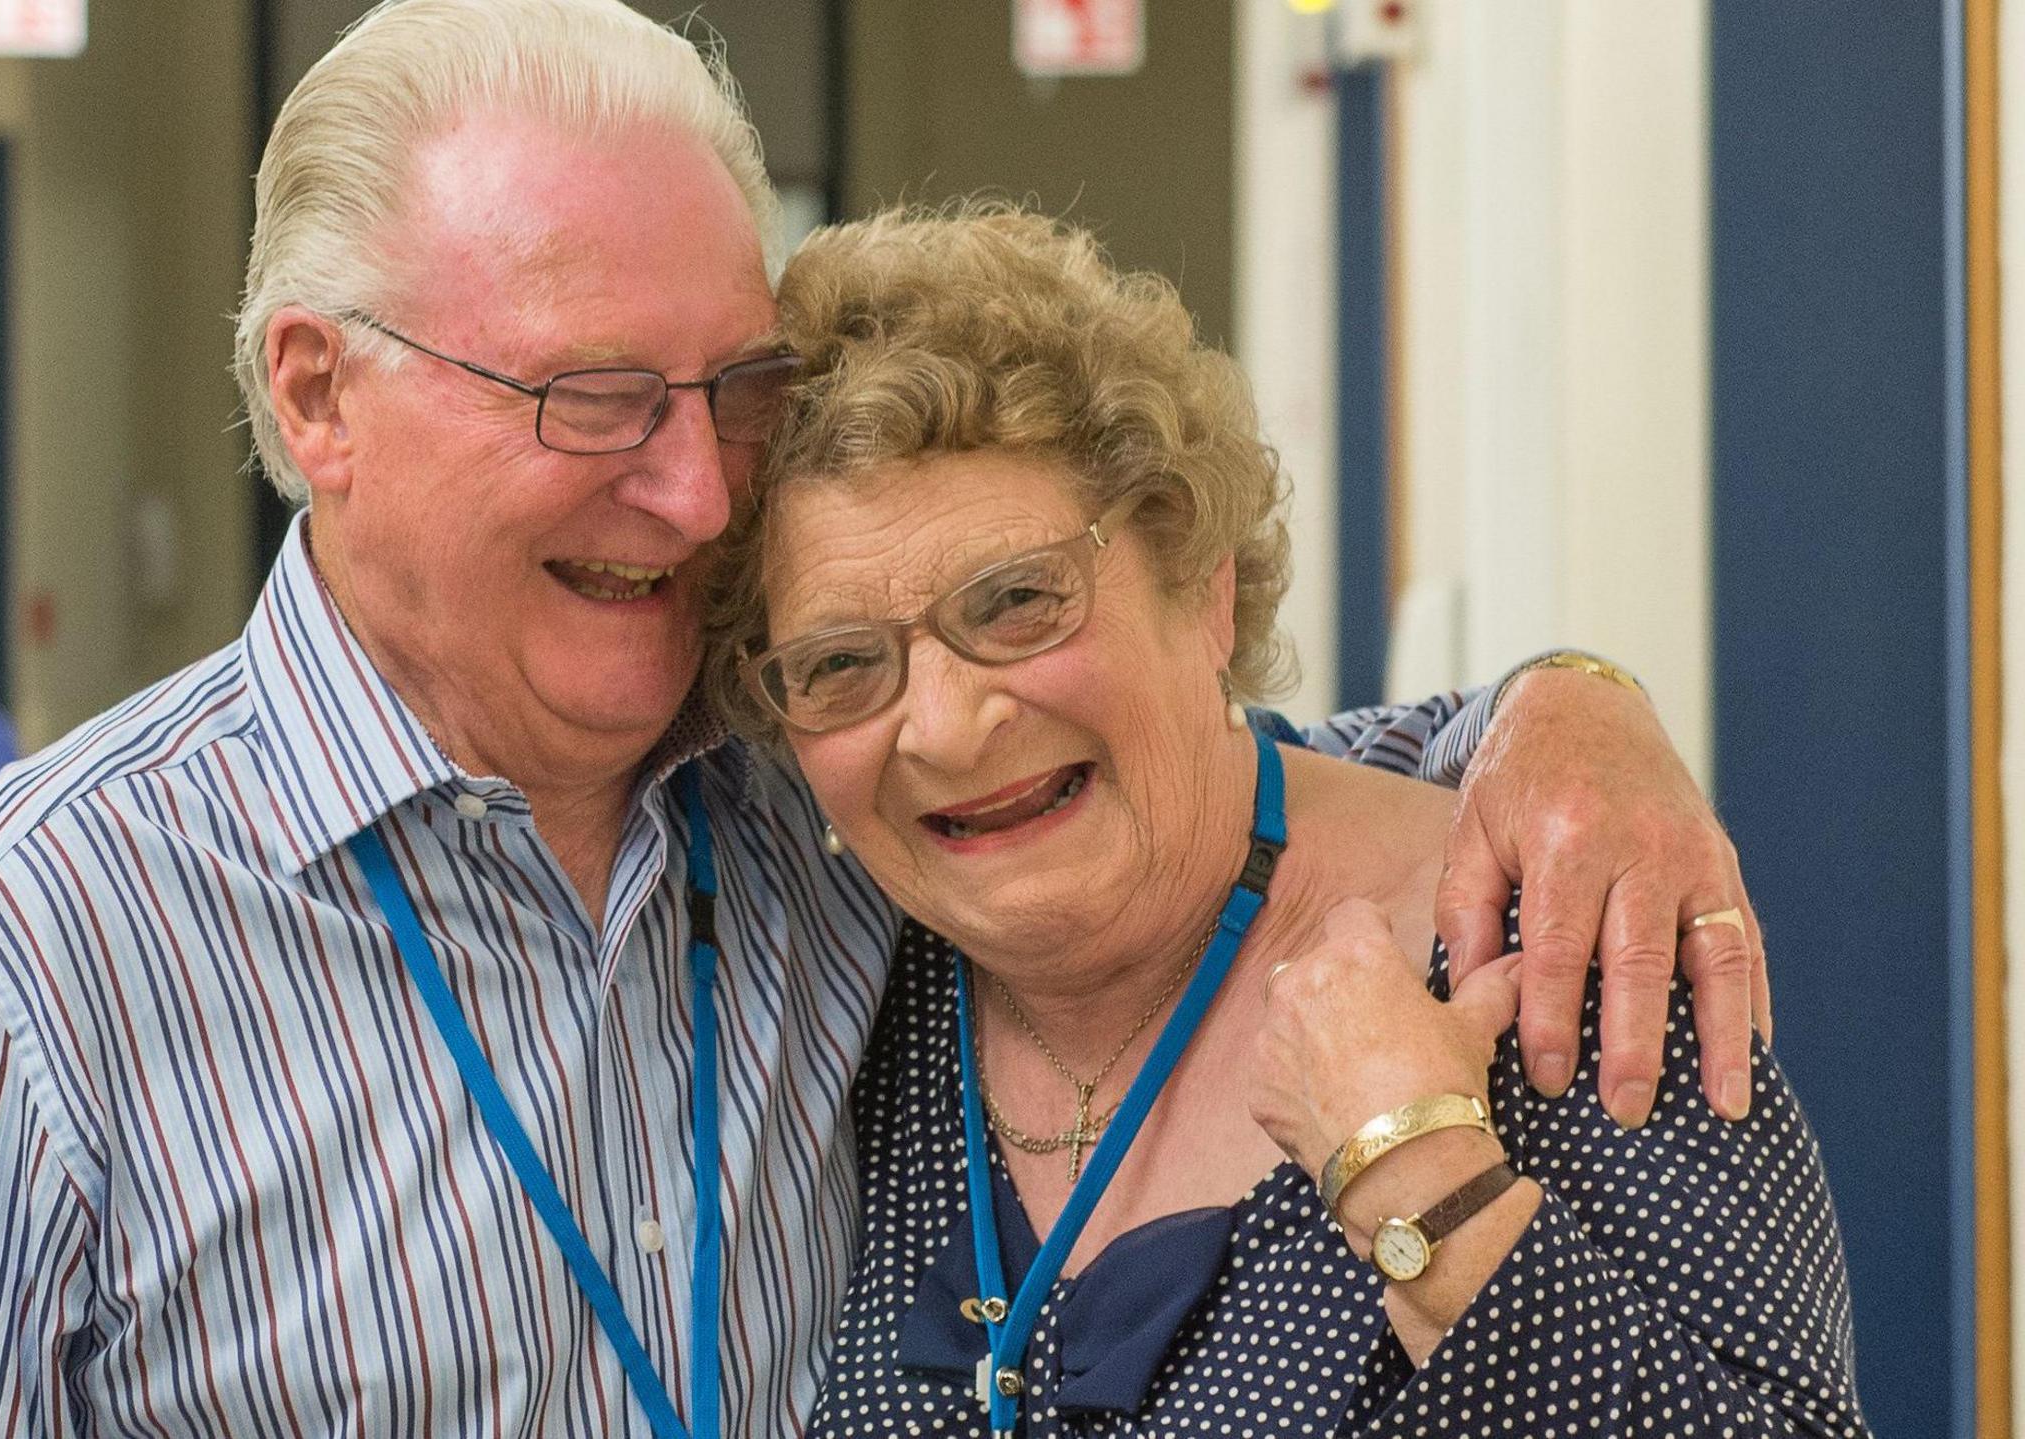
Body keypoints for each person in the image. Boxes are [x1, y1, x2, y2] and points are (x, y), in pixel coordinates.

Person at [0, 2, 1770, 1433]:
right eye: (592, 399)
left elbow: (1181, 762)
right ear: (318, 394)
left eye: (733, 394)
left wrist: (1559, 713)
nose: (698, 494)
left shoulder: (805, 786)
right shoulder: (22, 957)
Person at [704, 204, 1863, 1436]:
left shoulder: (1543, 942)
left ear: (1200, 584)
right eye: (839, 665)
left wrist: (1417, 1172)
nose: (940, 725)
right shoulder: (837, 1011)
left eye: (1017, 600)